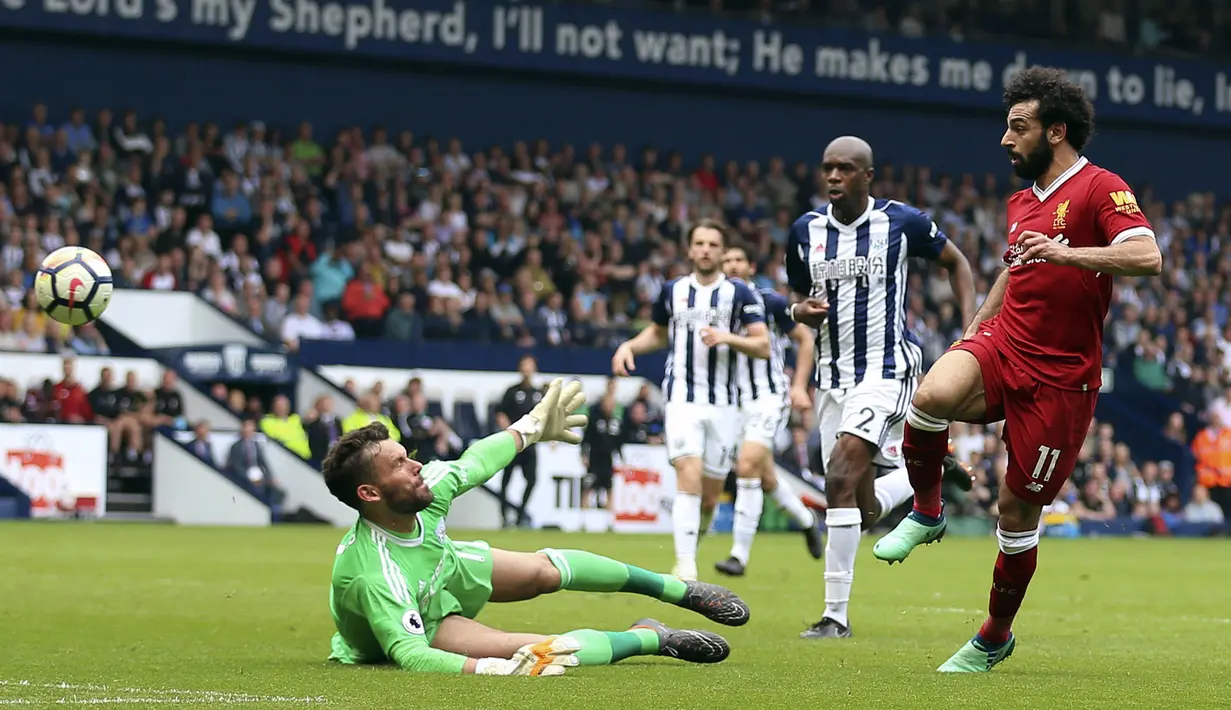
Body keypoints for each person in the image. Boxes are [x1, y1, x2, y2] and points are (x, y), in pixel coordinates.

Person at [872, 67, 1162, 672]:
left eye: (1018, 127)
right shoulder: (1022, 199)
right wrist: (978, 324)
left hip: (1062, 378)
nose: (1005, 139)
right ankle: (927, 512)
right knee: (928, 396)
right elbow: (1015, 266)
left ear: (1056, 131)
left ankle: (994, 635)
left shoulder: (1101, 188)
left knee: (1016, 511)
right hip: (1006, 344)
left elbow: (1146, 254)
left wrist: (1068, 252)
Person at [326, 379, 748, 676]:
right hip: (422, 616)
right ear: (369, 494)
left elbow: (474, 462)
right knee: (542, 650)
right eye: (399, 464)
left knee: (545, 570)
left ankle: (677, 588)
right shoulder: (376, 574)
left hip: (442, 565)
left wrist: (528, 428)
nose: (417, 465)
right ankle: (650, 637)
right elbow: (411, 654)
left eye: (408, 455)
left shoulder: (424, 493)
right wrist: (492, 669)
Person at [785, 135, 976, 640]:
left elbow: (957, 262)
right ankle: (926, 473)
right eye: (827, 168)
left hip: (886, 368)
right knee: (859, 503)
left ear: (867, 176)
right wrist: (798, 309)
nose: (832, 177)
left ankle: (834, 616)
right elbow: (797, 294)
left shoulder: (901, 222)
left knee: (839, 476)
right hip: (831, 377)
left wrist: (970, 331)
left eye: (844, 169)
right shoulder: (805, 231)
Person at [612, 219, 770, 581]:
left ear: (722, 250)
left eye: (713, 244)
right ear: (689, 249)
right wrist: (629, 345)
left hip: (724, 405)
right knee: (688, 473)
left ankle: (691, 545)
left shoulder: (740, 295)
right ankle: (685, 566)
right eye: (699, 243)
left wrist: (727, 338)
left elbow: (762, 345)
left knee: (710, 496)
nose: (705, 250)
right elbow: (656, 332)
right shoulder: (672, 290)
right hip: (682, 398)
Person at [713, 239, 824, 577]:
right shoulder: (713, 304)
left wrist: (799, 386)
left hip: (767, 396)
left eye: (738, 260)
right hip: (730, 403)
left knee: (747, 466)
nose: (731, 265)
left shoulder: (768, 301)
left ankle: (739, 556)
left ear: (751, 268)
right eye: (726, 259)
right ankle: (808, 521)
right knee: (764, 474)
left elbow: (805, 340)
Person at [494, 354, 543, 527]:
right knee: (506, 481)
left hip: (529, 444)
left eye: (530, 365)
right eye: (524, 365)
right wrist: (508, 430)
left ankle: (521, 514)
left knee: (532, 480)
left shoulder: (538, 394)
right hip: (513, 442)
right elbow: (500, 412)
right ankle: (504, 516)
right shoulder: (512, 391)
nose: (526, 369)